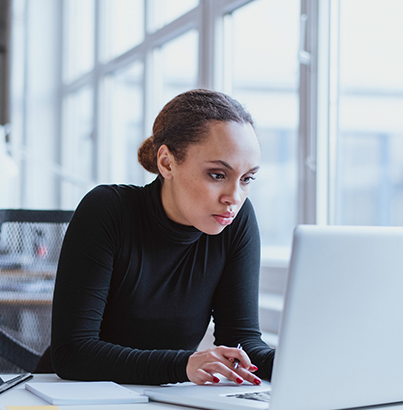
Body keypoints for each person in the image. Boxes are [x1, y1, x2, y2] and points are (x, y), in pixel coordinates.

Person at [50, 89, 275, 386]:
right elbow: (71, 353)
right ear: (167, 163)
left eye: (247, 179)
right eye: (218, 175)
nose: (234, 197)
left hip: (163, 402)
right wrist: (182, 365)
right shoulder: (107, 210)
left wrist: (304, 361)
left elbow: (242, 342)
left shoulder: (237, 222)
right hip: (75, 399)